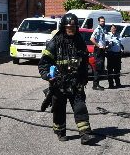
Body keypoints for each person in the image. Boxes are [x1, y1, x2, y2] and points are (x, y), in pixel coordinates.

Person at [38, 13, 95, 144]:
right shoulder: (55, 43)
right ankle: (60, 131)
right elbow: (43, 64)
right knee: (59, 109)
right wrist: (48, 76)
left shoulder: (79, 42)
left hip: (76, 83)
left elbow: (84, 61)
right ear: (63, 27)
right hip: (59, 84)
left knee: (80, 107)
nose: (71, 30)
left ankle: (85, 133)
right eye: (69, 28)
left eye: (74, 28)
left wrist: (84, 77)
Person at [91, 16, 108, 90]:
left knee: (100, 67)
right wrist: (98, 46)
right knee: (98, 67)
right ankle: (95, 85)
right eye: (101, 21)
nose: (103, 22)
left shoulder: (103, 29)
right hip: (98, 50)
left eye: (103, 21)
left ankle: (97, 84)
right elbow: (91, 39)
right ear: (99, 22)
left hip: (102, 50)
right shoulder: (97, 29)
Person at [105, 24, 123, 88]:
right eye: (112, 28)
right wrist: (108, 45)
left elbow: (120, 44)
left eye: (115, 28)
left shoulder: (118, 35)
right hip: (111, 54)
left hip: (118, 55)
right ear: (110, 29)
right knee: (110, 70)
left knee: (117, 69)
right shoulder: (107, 36)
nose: (114, 29)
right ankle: (111, 84)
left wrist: (121, 49)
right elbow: (105, 46)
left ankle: (118, 83)